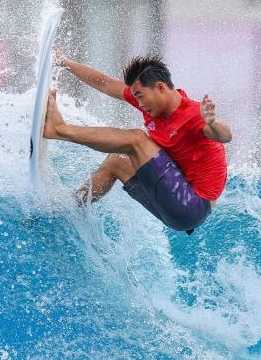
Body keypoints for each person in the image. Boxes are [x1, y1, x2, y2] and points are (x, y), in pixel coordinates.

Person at [44, 52, 232, 235]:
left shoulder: (193, 114)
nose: (139, 103)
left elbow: (225, 136)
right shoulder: (152, 107)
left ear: (160, 87)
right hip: (174, 204)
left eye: (140, 96)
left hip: (192, 206)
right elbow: (105, 83)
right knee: (116, 162)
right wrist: (64, 61)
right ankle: (69, 209)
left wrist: (212, 122)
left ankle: (59, 129)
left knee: (137, 139)